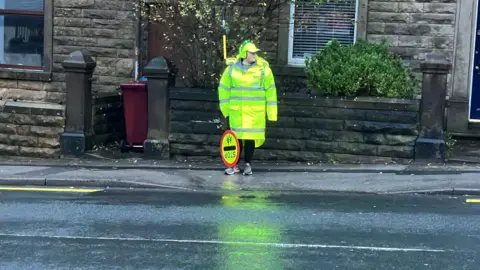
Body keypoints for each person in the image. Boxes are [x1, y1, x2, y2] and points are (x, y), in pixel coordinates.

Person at [218, 40, 278, 175]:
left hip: (254, 113)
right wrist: (225, 109)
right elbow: (223, 89)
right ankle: (234, 165)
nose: (255, 55)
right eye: (252, 53)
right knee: (236, 139)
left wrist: (272, 113)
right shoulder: (231, 70)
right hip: (237, 112)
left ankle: (248, 164)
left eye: (255, 53)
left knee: (250, 139)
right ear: (245, 54)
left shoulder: (264, 70)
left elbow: (271, 91)